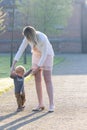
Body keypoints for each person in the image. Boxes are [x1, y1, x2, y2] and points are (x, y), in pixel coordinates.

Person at [11, 26, 55, 112]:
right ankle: (40, 104)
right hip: (36, 55)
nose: (27, 39)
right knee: (37, 80)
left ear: (31, 34)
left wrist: (38, 67)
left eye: (27, 37)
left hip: (47, 55)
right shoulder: (27, 37)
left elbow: (45, 53)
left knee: (47, 80)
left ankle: (51, 104)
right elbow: (21, 49)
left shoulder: (42, 38)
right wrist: (13, 65)